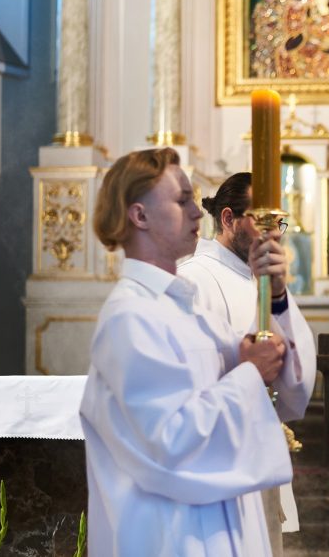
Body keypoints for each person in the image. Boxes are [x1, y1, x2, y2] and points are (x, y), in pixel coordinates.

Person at [81, 148, 312, 556]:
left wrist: (275, 296)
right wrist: (248, 373)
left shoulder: (187, 309)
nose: (196, 212)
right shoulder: (129, 317)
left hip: (219, 527)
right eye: (182, 199)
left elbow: (289, 392)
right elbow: (170, 440)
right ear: (139, 216)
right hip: (172, 536)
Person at [178, 171, 318, 550]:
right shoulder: (193, 279)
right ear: (228, 219)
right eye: (263, 223)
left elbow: (298, 389)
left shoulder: (264, 281)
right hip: (217, 465)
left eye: (279, 224)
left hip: (260, 454)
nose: (275, 236)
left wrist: (279, 297)